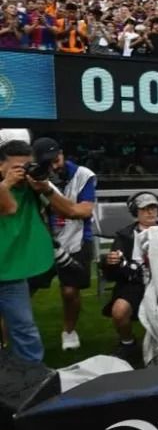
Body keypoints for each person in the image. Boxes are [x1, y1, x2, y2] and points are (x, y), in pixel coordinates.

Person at [27, 137, 96, 352]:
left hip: (77, 239)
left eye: (56, 159)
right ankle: (20, 332)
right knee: (23, 289)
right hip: (42, 241)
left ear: (62, 153)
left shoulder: (84, 175)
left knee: (70, 291)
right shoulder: (32, 178)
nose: (55, 165)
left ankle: (69, 330)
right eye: (48, 163)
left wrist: (46, 190)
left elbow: (81, 212)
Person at [0, 141, 53, 362]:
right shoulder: (7, 187)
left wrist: (45, 187)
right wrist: (5, 185)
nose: (22, 172)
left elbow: (70, 210)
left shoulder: (31, 187)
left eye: (26, 166)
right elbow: (9, 208)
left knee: (24, 327)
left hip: (11, 271)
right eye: (16, 167)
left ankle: (35, 377)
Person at [101, 192, 158, 367]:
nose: (150, 212)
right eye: (144, 209)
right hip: (134, 282)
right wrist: (110, 263)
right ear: (135, 212)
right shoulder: (124, 236)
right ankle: (128, 344)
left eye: (153, 208)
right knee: (119, 311)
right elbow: (111, 274)